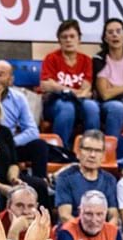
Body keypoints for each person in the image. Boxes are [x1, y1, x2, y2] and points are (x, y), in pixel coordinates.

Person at [40, 20, 116, 149]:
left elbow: (86, 89)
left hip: (80, 102)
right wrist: (72, 91)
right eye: (64, 37)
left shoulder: (86, 60)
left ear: (79, 39)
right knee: (67, 108)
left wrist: (60, 88)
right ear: (59, 41)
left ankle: (92, 148)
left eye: (72, 36)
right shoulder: (51, 58)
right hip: (55, 103)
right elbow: (45, 85)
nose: (68, 40)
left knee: (91, 107)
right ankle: (61, 151)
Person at [0, 60, 50, 180]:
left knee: (39, 145)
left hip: (10, 146)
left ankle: (41, 181)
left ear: (11, 80)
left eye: (1, 75)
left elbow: (32, 131)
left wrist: (10, 142)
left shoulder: (18, 98)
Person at [55, 130, 118, 223]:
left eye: (97, 151)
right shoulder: (65, 178)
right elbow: (65, 216)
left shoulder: (110, 180)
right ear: (79, 152)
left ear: (103, 155)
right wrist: (88, 231)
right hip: (73, 231)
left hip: (100, 232)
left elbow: (113, 215)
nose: (92, 155)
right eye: (88, 149)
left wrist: (104, 232)